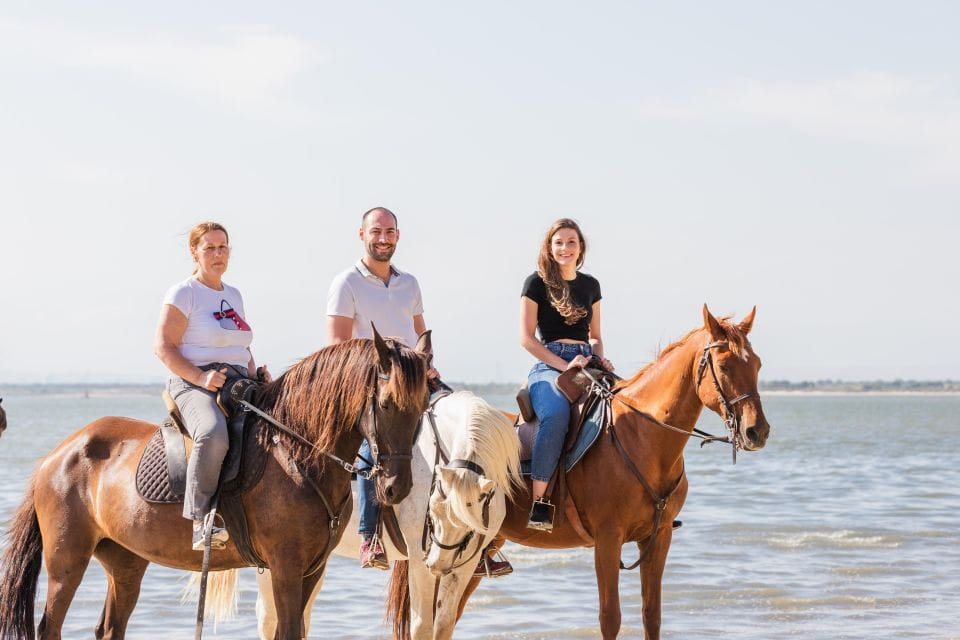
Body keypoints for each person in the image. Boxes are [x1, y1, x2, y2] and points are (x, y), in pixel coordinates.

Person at [155, 221, 270, 550]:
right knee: (212, 433)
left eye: (223, 247)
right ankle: (200, 520)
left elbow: (241, 345)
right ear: (195, 252)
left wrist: (256, 374)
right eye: (209, 248)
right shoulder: (184, 293)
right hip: (193, 382)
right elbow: (163, 347)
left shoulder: (234, 295)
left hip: (238, 379)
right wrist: (201, 378)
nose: (218, 254)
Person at [520, 218, 612, 532]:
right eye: (558, 242)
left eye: (571, 242)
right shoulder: (535, 283)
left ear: (580, 247)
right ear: (549, 247)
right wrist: (564, 366)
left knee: (627, 407)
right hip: (549, 364)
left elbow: (595, 335)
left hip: (586, 361)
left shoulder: (591, 286)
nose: (565, 248)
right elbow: (526, 339)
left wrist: (599, 359)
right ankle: (540, 502)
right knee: (556, 415)